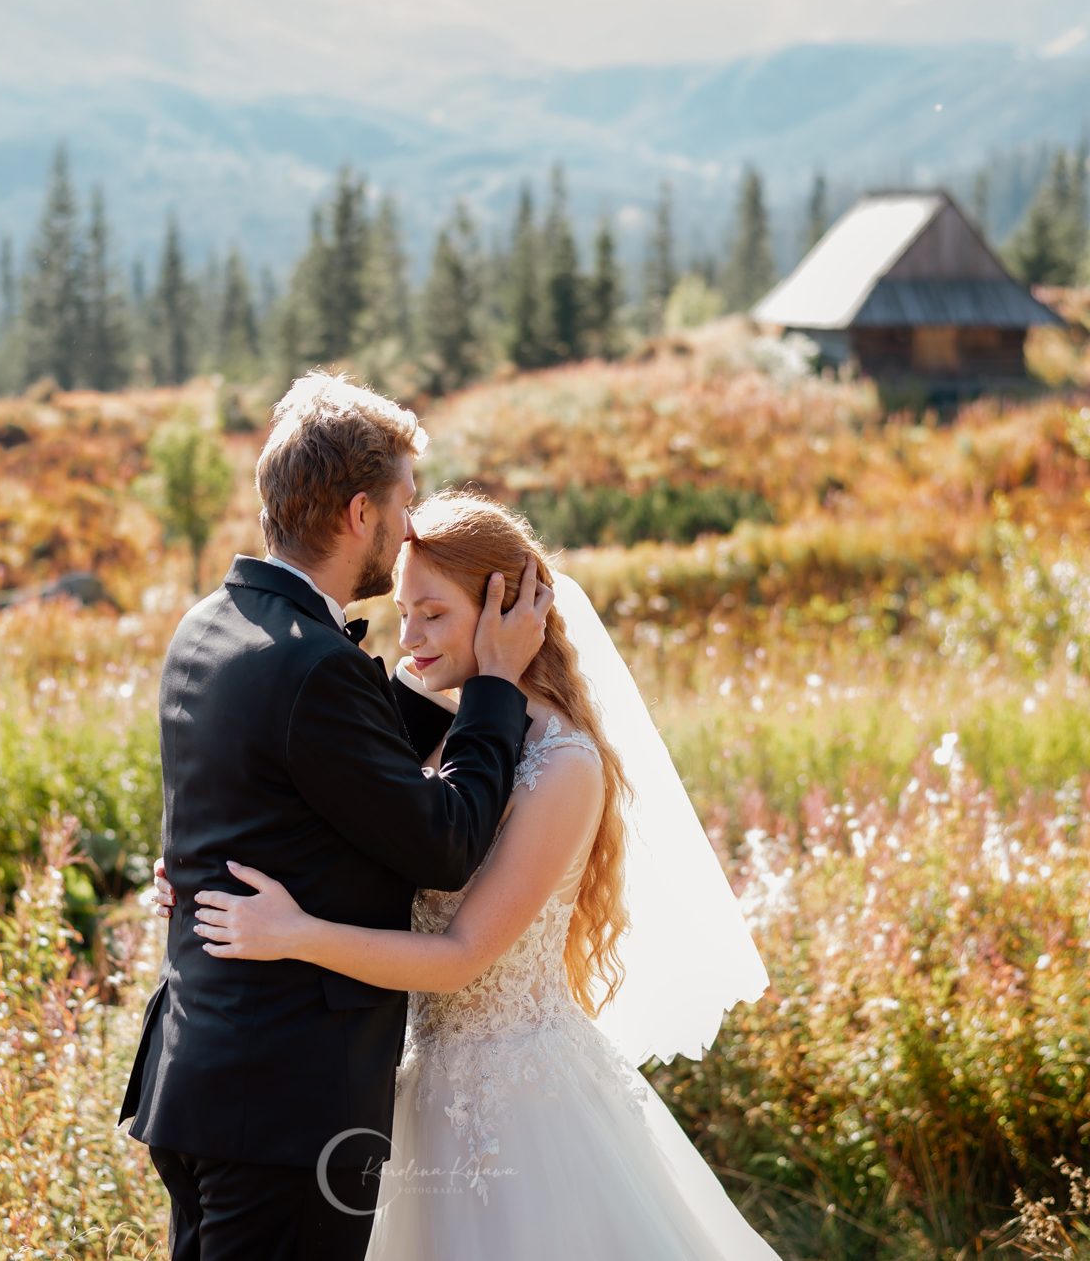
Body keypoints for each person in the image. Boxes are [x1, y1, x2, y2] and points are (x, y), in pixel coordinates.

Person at [187, 492, 779, 1260]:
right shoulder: (436, 730)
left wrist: (296, 935)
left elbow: (463, 954)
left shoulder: (563, 765)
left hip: (525, 1114)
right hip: (414, 1093)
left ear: (503, 607)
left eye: (433, 612)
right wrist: (203, 871)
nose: (410, 636)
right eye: (404, 610)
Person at [120, 373, 555, 1261]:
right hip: (285, 1106)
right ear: (360, 512)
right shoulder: (316, 667)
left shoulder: (208, 626)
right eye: (402, 504)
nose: (407, 529)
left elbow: (305, 775)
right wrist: (495, 688)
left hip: (201, 1077)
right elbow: (445, 841)